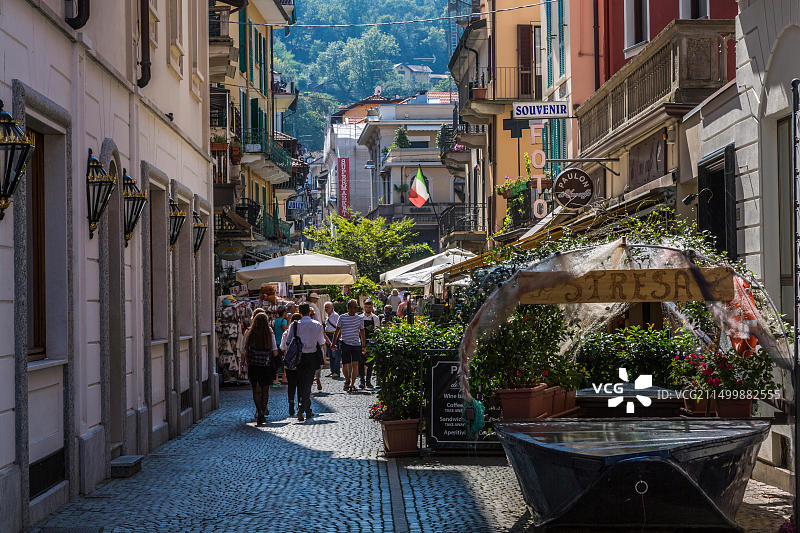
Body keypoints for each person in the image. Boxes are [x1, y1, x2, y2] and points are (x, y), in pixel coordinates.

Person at [285, 303, 326, 421]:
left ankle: (304, 409)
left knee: (302, 383)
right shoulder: (317, 325)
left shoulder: (295, 325)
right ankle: (304, 409)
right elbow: (321, 342)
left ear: (300, 312)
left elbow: (288, 341)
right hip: (312, 356)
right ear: (309, 312)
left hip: (300, 357)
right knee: (307, 383)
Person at [242, 312, 279, 426]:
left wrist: (243, 364)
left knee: (256, 390)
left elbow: (245, 350)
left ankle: (258, 411)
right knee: (265, 390)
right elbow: (275, 351)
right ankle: (263, 411)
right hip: (266, 365)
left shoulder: (249, 332)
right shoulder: (269, 332)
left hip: (253, 365)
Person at [333, 299, 366, 393]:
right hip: (345, 343)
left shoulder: (360, 318)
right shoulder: (342, 317)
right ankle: (347, 380)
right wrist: (333, 342)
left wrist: (363, 345)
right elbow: (337, 330)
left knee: (355, 364)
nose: (356, 309)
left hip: (356, 344)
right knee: (345, 364)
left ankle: (352, 384)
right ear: (348, 308)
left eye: (356, 307)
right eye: (354, 307)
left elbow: (362, 332)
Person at [280, 313, 302, 417]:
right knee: (300, 385)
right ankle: (300, 405)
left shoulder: (286, 333)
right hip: (300, 362)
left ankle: (291, 404)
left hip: (289, 363)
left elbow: (283, 348)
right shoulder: (303, 333)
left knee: (291, 386)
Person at [360, 300, 381, 389]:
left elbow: (377, 329)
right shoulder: (360, 317)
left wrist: (374, 336)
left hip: (371, 343)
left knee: (370, 363)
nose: (368, 308)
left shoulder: (375, 318)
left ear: (372, 307)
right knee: (361, 362)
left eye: (370, 307)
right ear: (364, 307)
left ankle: (368, 381)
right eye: (366, 307)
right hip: (361, 342)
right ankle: (362, 381)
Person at [324, 302, 341, 379]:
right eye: (325, 307)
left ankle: (336, 372)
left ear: (332, 308)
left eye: (328, 307)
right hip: (328, 335)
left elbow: (339, 327)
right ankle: (332, 371)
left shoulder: (335, 315)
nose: (326, 309)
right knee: (330, 355)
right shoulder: (328, 316)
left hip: (333, 335)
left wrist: (338, 337)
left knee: (336, 354)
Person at [309, 308, 324, 392]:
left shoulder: (317, 324)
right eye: (310, 314)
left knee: (318, 368)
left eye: (313, 314)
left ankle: (317, 379)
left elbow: (322, 338)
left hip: (317, 348)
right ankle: (311, 384)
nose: (312, 316)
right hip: (310, 349)